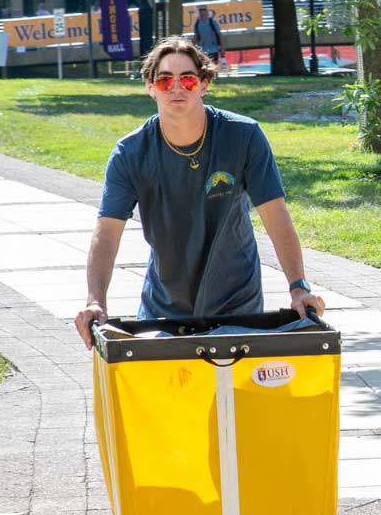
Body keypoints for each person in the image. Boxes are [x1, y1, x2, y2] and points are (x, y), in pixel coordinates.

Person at [74, 37, 325, 348]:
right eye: (164, 80)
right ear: (150, 88)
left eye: (188, 79)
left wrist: (298, 287)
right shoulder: (130, 152)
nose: (176, 88)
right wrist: (95, 299)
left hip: (238, 301)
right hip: (164, 305)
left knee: (235, 394)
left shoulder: (244, 135)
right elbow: (107, 231)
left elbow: (275, 215)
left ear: (204, 84)